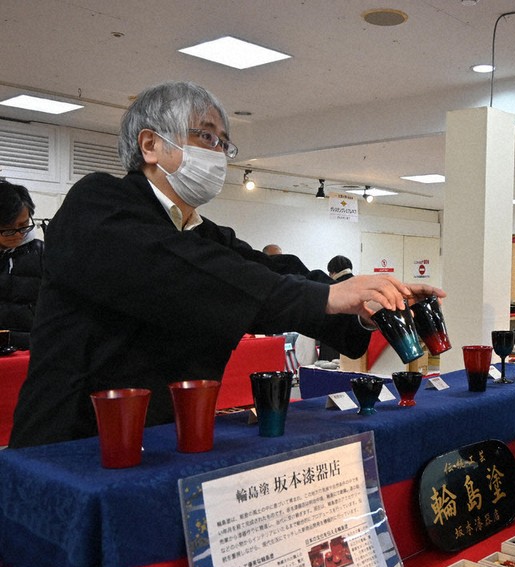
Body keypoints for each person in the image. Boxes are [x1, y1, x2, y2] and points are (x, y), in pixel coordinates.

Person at [9, 81, 444, 448]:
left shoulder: (203, 232)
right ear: (150, 144)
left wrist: (360, 307)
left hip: (167, 437)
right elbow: (190, 275)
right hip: (74, 440)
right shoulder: (98, 204)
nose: (218, 153)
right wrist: (328, 295)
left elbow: (270, 271)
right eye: (206, 137)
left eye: (223, 143)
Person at [0, 180, 44, 350]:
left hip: (31, 349)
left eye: (24, 225)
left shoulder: (42, 253)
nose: (18, 235)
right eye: (8, 229)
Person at [319, 255, 356, 360]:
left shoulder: (331, 287)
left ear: (332, 272)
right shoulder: (359, 284)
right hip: (354, 341)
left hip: (332, 341)